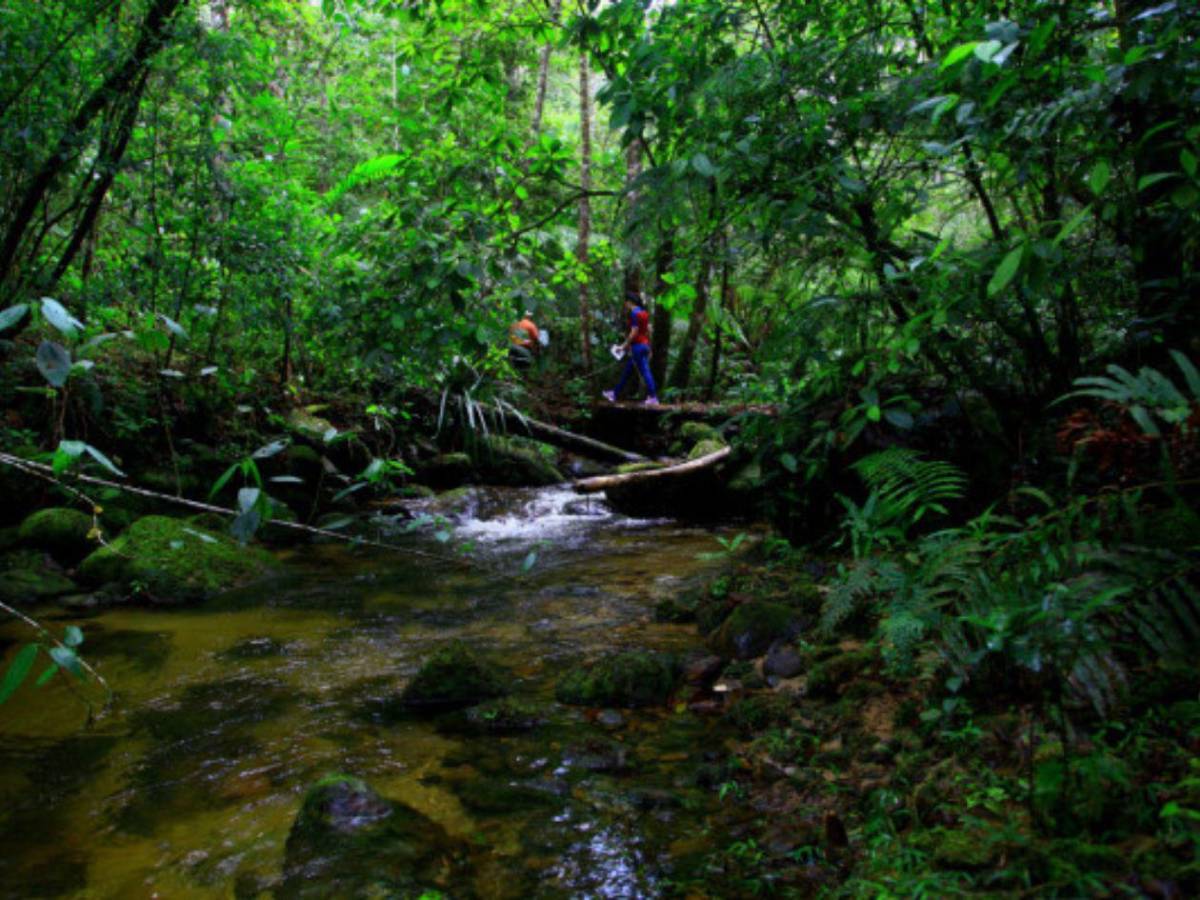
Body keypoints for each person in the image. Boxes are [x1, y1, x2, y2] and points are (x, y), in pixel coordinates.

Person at [602, 292, 659, 405]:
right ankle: (614, 393)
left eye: (626, 303)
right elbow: (648, 331)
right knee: (627, 371)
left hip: (637, 346)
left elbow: (634, 332)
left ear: (629, 302)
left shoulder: (634, 313)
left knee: (645, 371)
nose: (625, 305)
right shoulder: (644, 313)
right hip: (644, 345)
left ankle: (653, 397)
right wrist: (650, 347)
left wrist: (623, 346)